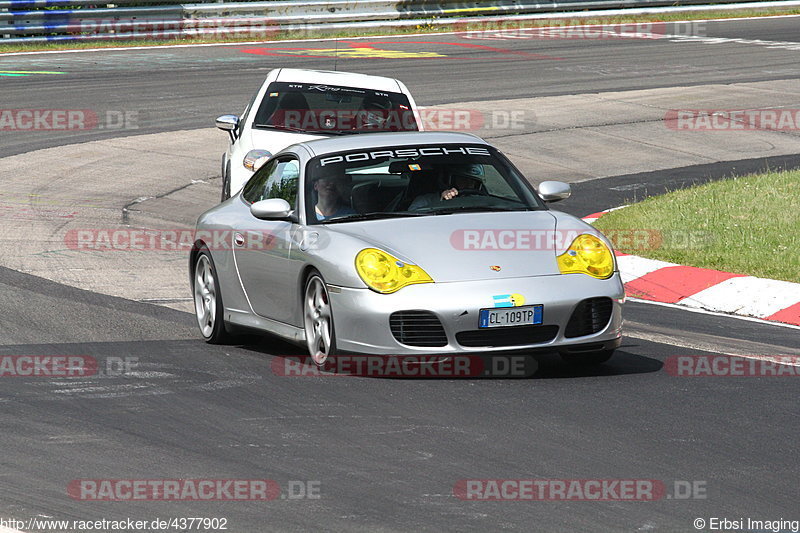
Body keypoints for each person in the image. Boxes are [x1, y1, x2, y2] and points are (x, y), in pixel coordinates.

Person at [408, 166, 485, 210]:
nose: (468, 184)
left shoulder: (481, 201)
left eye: (472, 181)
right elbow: (412, 220)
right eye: (463, 179)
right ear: (447, 180)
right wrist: (442, 203)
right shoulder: (424, 201)